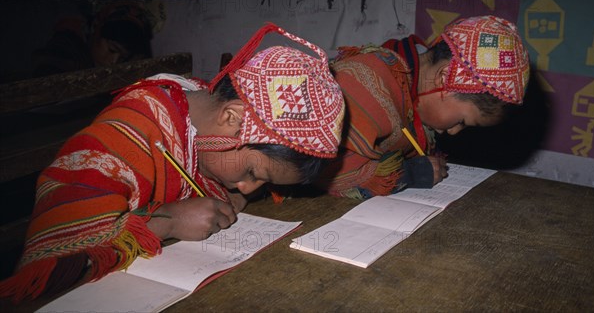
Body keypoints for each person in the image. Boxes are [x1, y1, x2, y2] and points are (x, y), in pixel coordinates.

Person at [0, 23, 345, 302]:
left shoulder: (200, 114)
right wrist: (165, 224)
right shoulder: (127, 135)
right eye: (253, 173)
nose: (247, 188)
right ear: (230, 117)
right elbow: (44, 270)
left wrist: (230, 196)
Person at [319, 15, 530, 199]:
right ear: (445, 77)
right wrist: (408, 174)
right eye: (461, 122)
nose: (454, 132)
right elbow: (327, 174)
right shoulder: (366, 86)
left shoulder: (407, 91)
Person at [32, 2, 154, 77]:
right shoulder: (65, 48)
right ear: (95, 29)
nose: (114, 61)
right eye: (111, 50)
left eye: (122, 57)